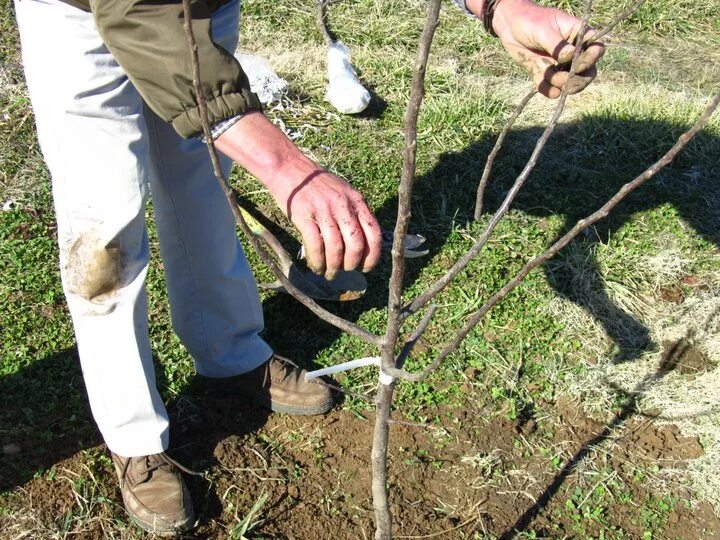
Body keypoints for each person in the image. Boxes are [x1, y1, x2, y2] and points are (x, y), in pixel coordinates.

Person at [13, 0, 604, 534]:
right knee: (104, 229)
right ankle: (134, 434)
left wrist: (496, 5)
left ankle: (231, 354)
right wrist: (285, 165)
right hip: (86, 14)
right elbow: (136, 11)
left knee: (200, 184)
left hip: (196, 8)